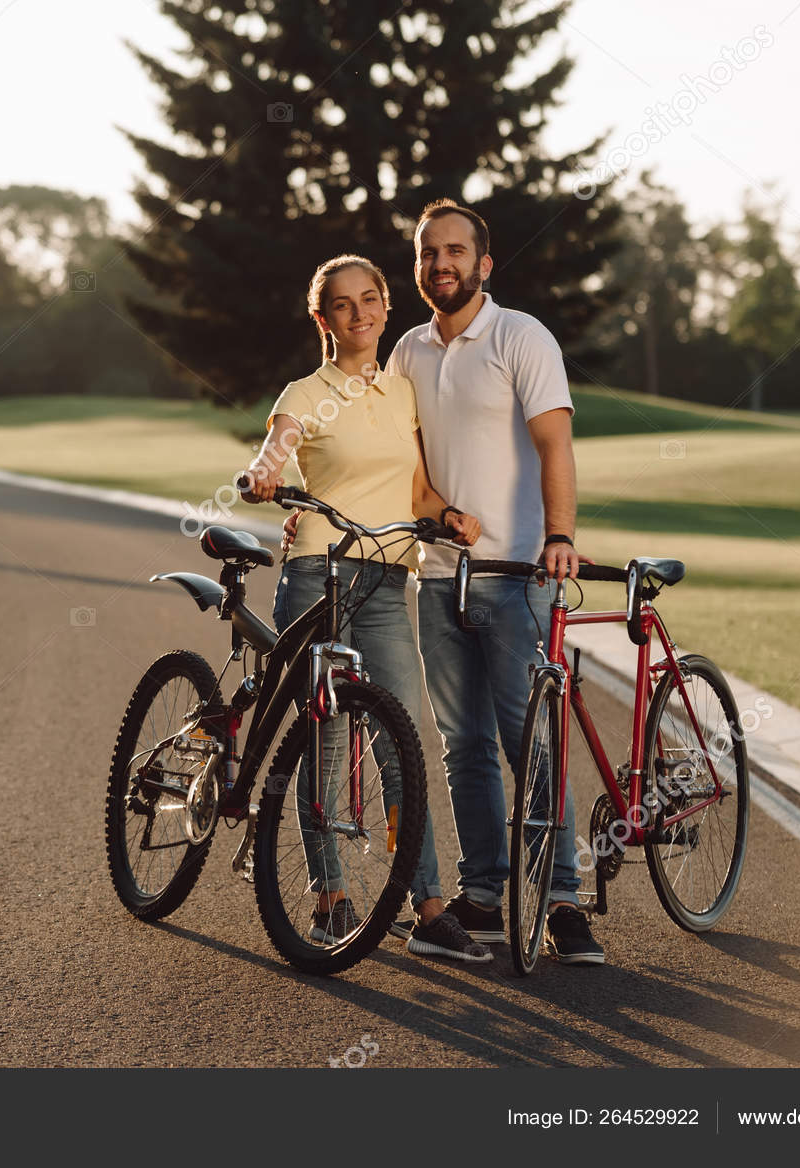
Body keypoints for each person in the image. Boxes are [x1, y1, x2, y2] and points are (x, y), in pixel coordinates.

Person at [243, 253, 489, 964]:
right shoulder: (305, 390)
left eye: (372, 299)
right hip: (318, 576)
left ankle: (429, 908)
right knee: (321, 743)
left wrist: (452, 515)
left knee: (400, 742)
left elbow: (416, 495)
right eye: (344, 304)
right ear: (323, 319)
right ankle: (328, 899)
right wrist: (265, 475)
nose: (361, 313)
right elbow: (276, 449)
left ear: (386, 306)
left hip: (386, 580)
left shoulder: (402, 391)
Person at [389, 198, 604, 965]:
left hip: (518, 579)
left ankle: (565, 902)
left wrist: (559, 538)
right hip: (438, 579)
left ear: (484, 262)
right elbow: (402, 465)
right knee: (463, 747)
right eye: (427, 253)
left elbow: (555, 446)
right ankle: (483, 897)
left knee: (530, 745)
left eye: (454, 251)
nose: (439, 263)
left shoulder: (521, 336)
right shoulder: (406, 351)